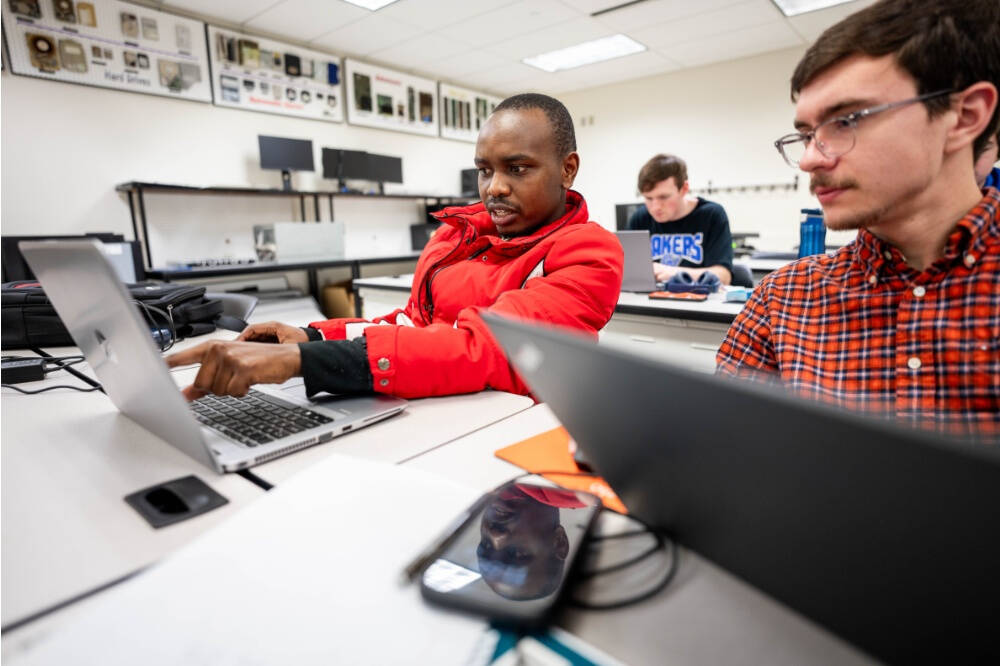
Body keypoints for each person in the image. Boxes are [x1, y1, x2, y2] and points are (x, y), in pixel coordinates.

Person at [166, 94, 624, 399]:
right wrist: (313, 335)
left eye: (518, 168)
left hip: (510, 438)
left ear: (567, 169)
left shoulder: (587, 252)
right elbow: (412, 324)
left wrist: (304, 360)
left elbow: (483, 348)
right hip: (437, 414)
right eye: (485, 170)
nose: (495, 187)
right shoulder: (455, 238)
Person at [716, 0, 999, 440]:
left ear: (964, 117)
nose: (809, 159)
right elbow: (723, 454)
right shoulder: (781, 301)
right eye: (807, 135)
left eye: (845, 120)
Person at [626, 154, 734, 285]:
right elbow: (629, 272)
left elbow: (723, 276)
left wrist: (672, 272)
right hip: (651, 301)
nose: (655, 207)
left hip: (697, 301)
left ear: (684, 189)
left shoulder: (711, 215)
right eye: (648, 198)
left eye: (664, 197)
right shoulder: (640, 218)